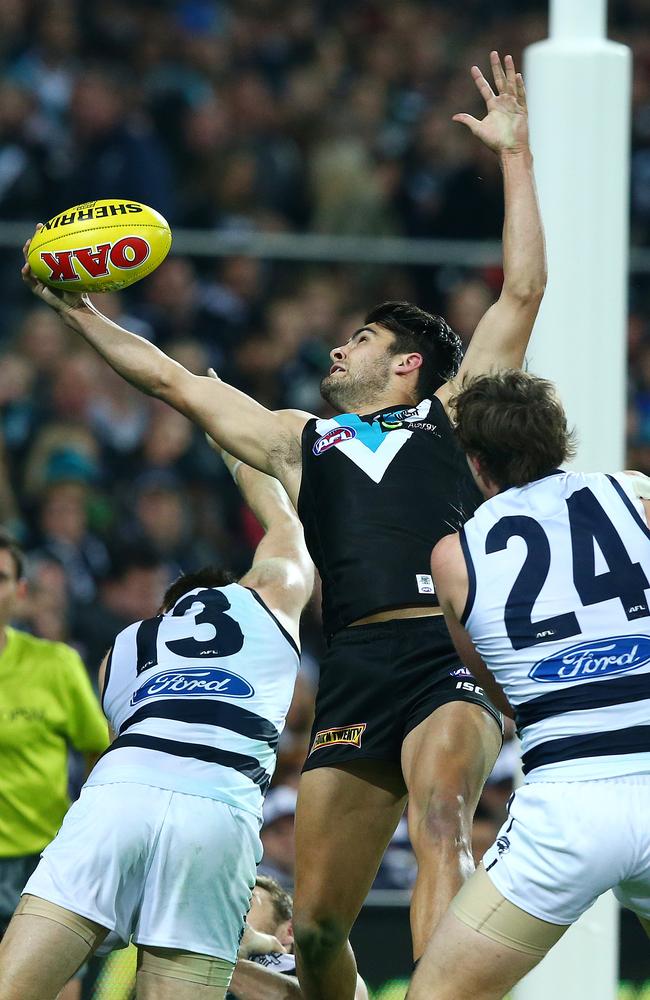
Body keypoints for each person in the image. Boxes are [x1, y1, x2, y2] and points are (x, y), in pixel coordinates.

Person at [22, 51, 545, 1000]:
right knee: (315, 926)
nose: (338, 347)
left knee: (440, 824)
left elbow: (519, 294)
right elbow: (173, 383)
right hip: (350, 675)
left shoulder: (455, 413)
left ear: (408, 367)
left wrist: (515, 154)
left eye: (361, 340)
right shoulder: (304, 441)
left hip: (441, 657)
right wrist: (80, 314)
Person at [0, 453, 313, 1000]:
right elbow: (287, 522)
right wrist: (233, 442)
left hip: (119, 795)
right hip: (218, 807)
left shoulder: (122, 649)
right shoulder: (272, 600)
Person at [408, 370, 650, 1000]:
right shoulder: (637, 497)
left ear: (477, 463)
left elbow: (501, 690)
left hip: (568, 804)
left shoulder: (453, 556)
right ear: (560, 440)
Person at [0, 530, 109, 1000]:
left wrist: (90, 832)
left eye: (0, 577)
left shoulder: (56, 664)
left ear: (20, 592)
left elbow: (100, 752)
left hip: (41, 860)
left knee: (57, 988)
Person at [227, 875, 368, 1000]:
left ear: (290, 931)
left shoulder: (332, 974)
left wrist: (224, 959)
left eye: (245, 902)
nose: (228, 912)